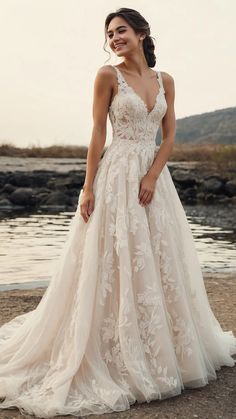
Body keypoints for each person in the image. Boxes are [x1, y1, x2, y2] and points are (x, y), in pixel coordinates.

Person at [0, 7, 236, 418]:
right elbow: (96, 131)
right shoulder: (107, 75)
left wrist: (152, 176)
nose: (114, 38)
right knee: (115, 257)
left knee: (159, 258)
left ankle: (161, 348)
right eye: (109, 33)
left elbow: (170, 134)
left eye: (121, 30)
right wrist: (87, 186)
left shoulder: (166, 81)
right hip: (117, 174)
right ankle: (114, 350)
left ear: (142, 33)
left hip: (154, 180)